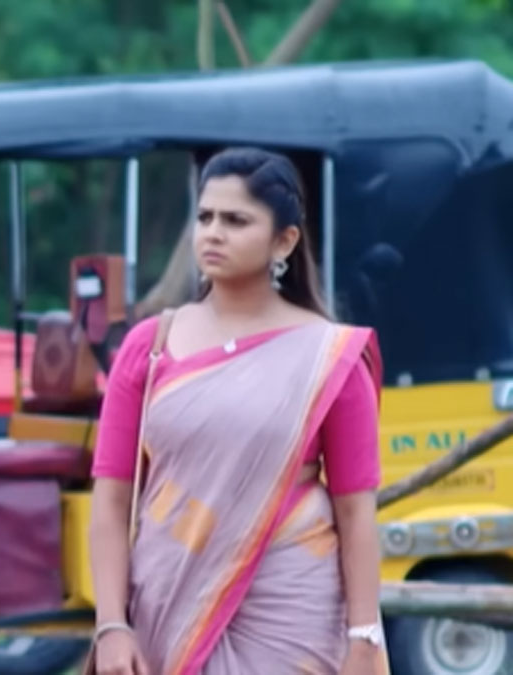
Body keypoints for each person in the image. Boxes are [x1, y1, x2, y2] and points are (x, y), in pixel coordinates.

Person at [87, 147, 389, 674]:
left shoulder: (328, 357)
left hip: (291, 612)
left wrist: (364, 637)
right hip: (168, 607)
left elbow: (356, 511)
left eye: (235, 220)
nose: (213, 233)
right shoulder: (148, 348)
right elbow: (111, 502)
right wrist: (111, 625)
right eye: (205, 217)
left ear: (284, 241)